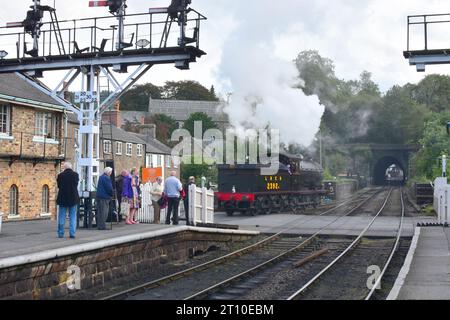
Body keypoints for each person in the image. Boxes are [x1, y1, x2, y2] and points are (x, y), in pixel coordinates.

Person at [56, 162, 80, 239]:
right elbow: (76, 185)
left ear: (65, 168)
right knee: (72, 216)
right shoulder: (75, 175)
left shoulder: (60, 175)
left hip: (62, 198)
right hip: (73, 198)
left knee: (61, 216)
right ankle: (72, 233)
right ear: (71, 167)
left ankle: (60, 233)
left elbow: (59, 186)